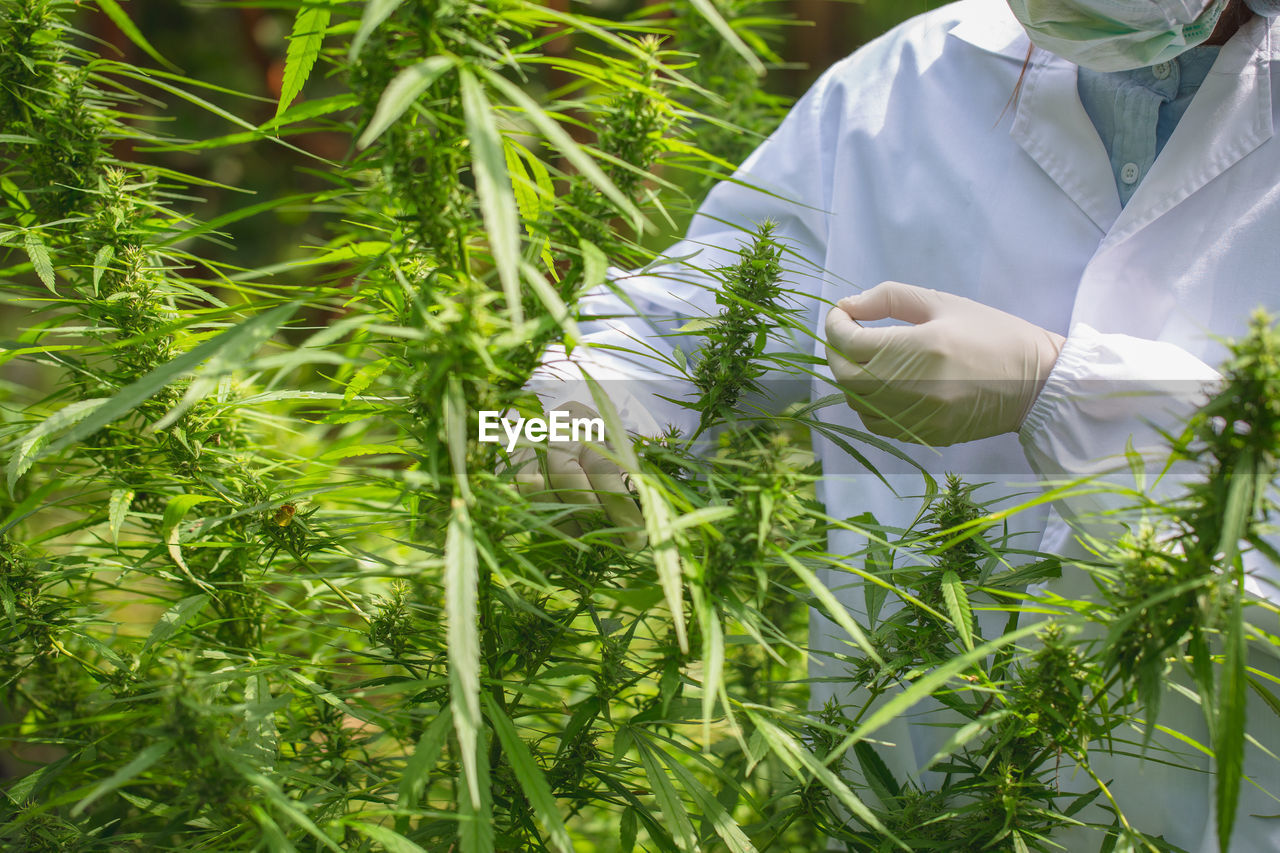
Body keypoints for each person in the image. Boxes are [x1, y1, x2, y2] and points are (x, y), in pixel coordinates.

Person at [519, 0, 1280, 848]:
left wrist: (1069, 392)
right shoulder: (906, 81)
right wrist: (586, 394)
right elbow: (686, 316)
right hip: (900, 799)